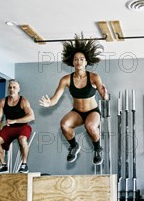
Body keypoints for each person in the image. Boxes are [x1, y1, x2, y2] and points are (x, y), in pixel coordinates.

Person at [39, 35, 108, 165]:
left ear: (87, 62)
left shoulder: (94, 77)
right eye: (76, 59)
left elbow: (104, 96)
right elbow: (55, 99)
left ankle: (98, 149)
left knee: (90, 126)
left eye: (82, 59)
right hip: (77, 112)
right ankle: (74, 146)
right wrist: (49, 103)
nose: (79, 61)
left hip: (92, 111)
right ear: (72, 62)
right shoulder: (66, 79)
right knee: (64, 125)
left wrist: (105, 95)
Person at [0, 80, 35, 173]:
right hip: (9, 128)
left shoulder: (23, 101)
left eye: (14, 87)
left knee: (22, 139)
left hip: (22, 127)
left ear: (18, 89)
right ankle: (3, 165)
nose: (12, 89)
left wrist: (15, 120)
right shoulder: (3, 101)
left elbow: (31, 117)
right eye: (10, 87)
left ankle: (24, 164)